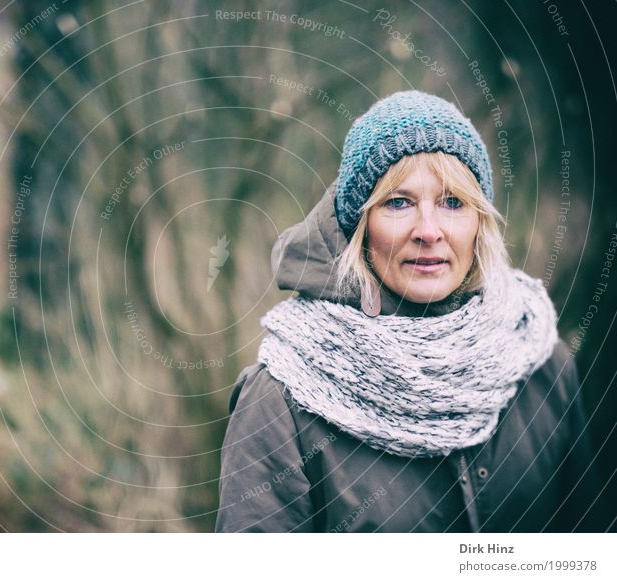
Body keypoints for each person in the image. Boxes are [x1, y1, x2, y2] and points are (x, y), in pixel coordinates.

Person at [215, 90, 609, 532]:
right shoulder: (282, 396)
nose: (429, 230)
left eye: (453, 202)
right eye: (398, 202)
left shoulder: (539, 363)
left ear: (479, 222)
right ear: (360, 225)